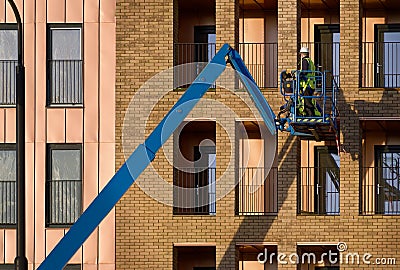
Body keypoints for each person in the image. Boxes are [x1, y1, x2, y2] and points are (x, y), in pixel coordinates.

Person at [298, 47, 321, 117]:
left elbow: (305, 72)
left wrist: (299, 75)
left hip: (307, 84)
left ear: (301, 54)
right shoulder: (310, 61)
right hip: (311, 85)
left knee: (307, 102)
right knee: (307, 100)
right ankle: (310, 114)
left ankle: (311, 115)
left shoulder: (304, 61)